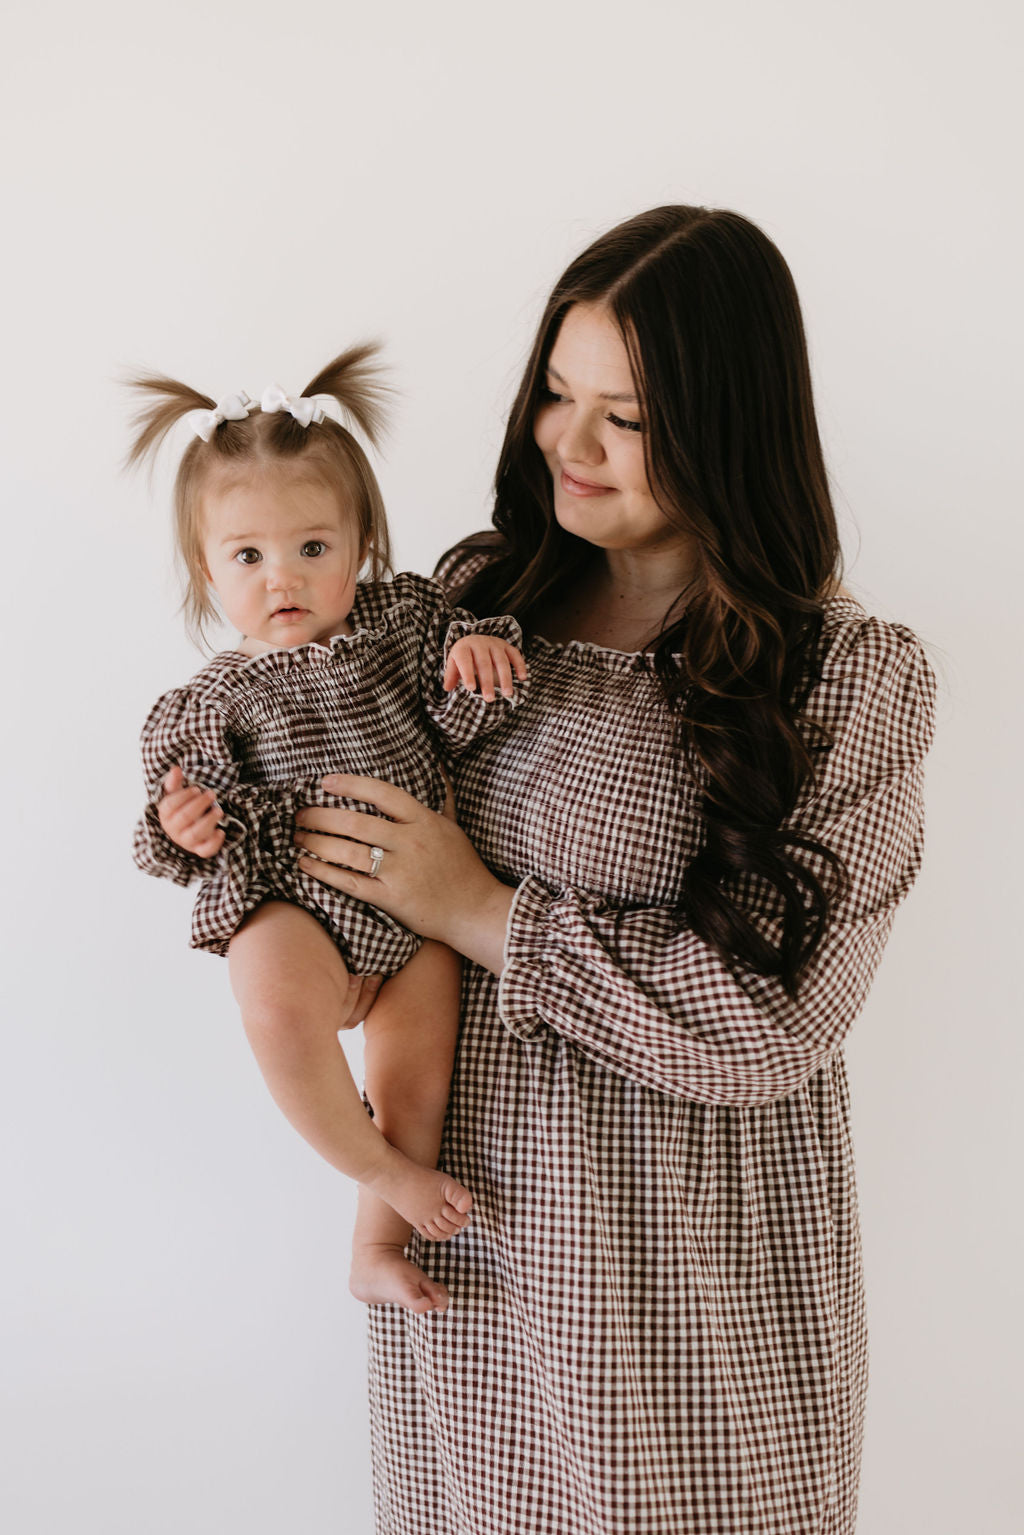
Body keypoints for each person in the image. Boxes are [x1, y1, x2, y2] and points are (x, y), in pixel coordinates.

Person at [281, 209, 937, 1534]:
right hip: (469, 1250)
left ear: (728, 426)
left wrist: (477, 906)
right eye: (556, 395)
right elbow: (348, 845)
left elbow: (771, 1020)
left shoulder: (847, 676)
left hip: (684, 1283)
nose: (566, 445)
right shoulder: (474, 602)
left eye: (624, 418)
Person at [130, 345, 528, 1316]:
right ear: (206, 566)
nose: (285, 579)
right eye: (249, 556)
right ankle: (374, 1167)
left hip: (415, 908)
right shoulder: (206, 701)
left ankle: (377, 1240)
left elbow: (466, 711)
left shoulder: (404, 623)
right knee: (269, 1001)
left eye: (314, 547)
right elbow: (167, 834)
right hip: (293, 900)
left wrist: (480, 651)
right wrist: (182, 830)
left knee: (421, 1060)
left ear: (360, 544)